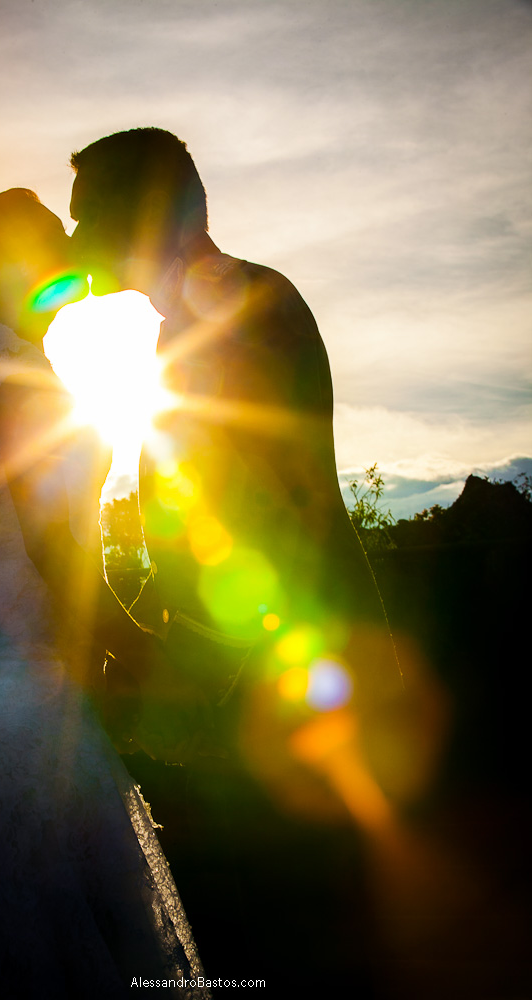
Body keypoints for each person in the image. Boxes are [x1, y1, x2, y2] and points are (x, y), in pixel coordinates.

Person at [67, 128, 402, 988]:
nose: (76, 240)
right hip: (262, 676)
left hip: (289, 682)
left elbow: (269, 512)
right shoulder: (199, 315)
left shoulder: (243, 308)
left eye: (86, 217)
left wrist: (189, 666)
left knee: (305, 942)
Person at [0, 188, 210, 999]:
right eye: (54, 237)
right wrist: (142, 654)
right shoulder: (18, 379)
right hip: (25, 692)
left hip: (2, 673)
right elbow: (54, 552)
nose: (73, 249)